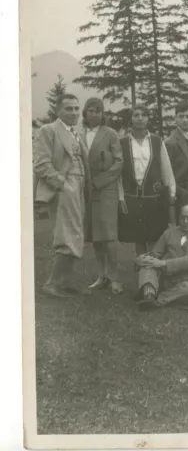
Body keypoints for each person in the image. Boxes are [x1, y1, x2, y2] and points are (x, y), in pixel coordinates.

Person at [33, 94, 91, 298]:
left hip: (79, 186)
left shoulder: (76, 134)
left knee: (76, 233)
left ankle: (66, 280)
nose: (74, 113)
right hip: (65, 187)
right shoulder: (48, 130)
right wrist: (63, 184)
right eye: (69, 109)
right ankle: (52, 283)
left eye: (77, 108)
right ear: (58, 111)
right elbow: (40, 164)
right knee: (67, 234)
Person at [117, 105, 176, 258]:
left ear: (148, 119)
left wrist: (171, 192)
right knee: (139, 238)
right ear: (131, 119)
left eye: (143, 115)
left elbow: (166, 168)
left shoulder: (156, 141)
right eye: (136, 115)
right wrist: (121, 197)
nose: (140, 118)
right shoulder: (122, 143)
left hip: (154, 197)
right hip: (133, 198)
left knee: (155, 237)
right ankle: (143, 275)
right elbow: (118, 173)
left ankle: (154, 273)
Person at [79, 97, 124, 294]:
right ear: (85, 112)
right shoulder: (78, 133)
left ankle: (114, 278)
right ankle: (102, 275)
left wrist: (101, 181)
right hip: (85, 191)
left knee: (108, 235)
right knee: (95, 236)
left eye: (98, 111)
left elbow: (119, 162)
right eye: (91, 110)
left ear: (102, 114)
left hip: (106, 190)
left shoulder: (110, 134)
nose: (95, 114)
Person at [134, 204, 188, 309]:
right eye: (182, 217)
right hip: (168, 277)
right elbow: (155, 253)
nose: (185, 221)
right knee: (147, 265)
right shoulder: (169, 233)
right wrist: (141, 260)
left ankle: (156, 299)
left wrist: (164, 263)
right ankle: (149, 296)